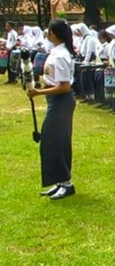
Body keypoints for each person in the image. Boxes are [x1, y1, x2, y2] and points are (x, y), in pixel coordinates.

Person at [26, 18, 76, 200]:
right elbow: (57, 26)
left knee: (55, 141)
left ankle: (66, 183)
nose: (46, 33)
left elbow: (65, 87)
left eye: (48, 30)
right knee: (52, 141)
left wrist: (38, 92)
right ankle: (59, 181)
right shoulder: (56, 50)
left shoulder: (61, 55)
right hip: (55, 101)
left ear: (54, 34)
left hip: (61, 100)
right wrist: (53, 9)